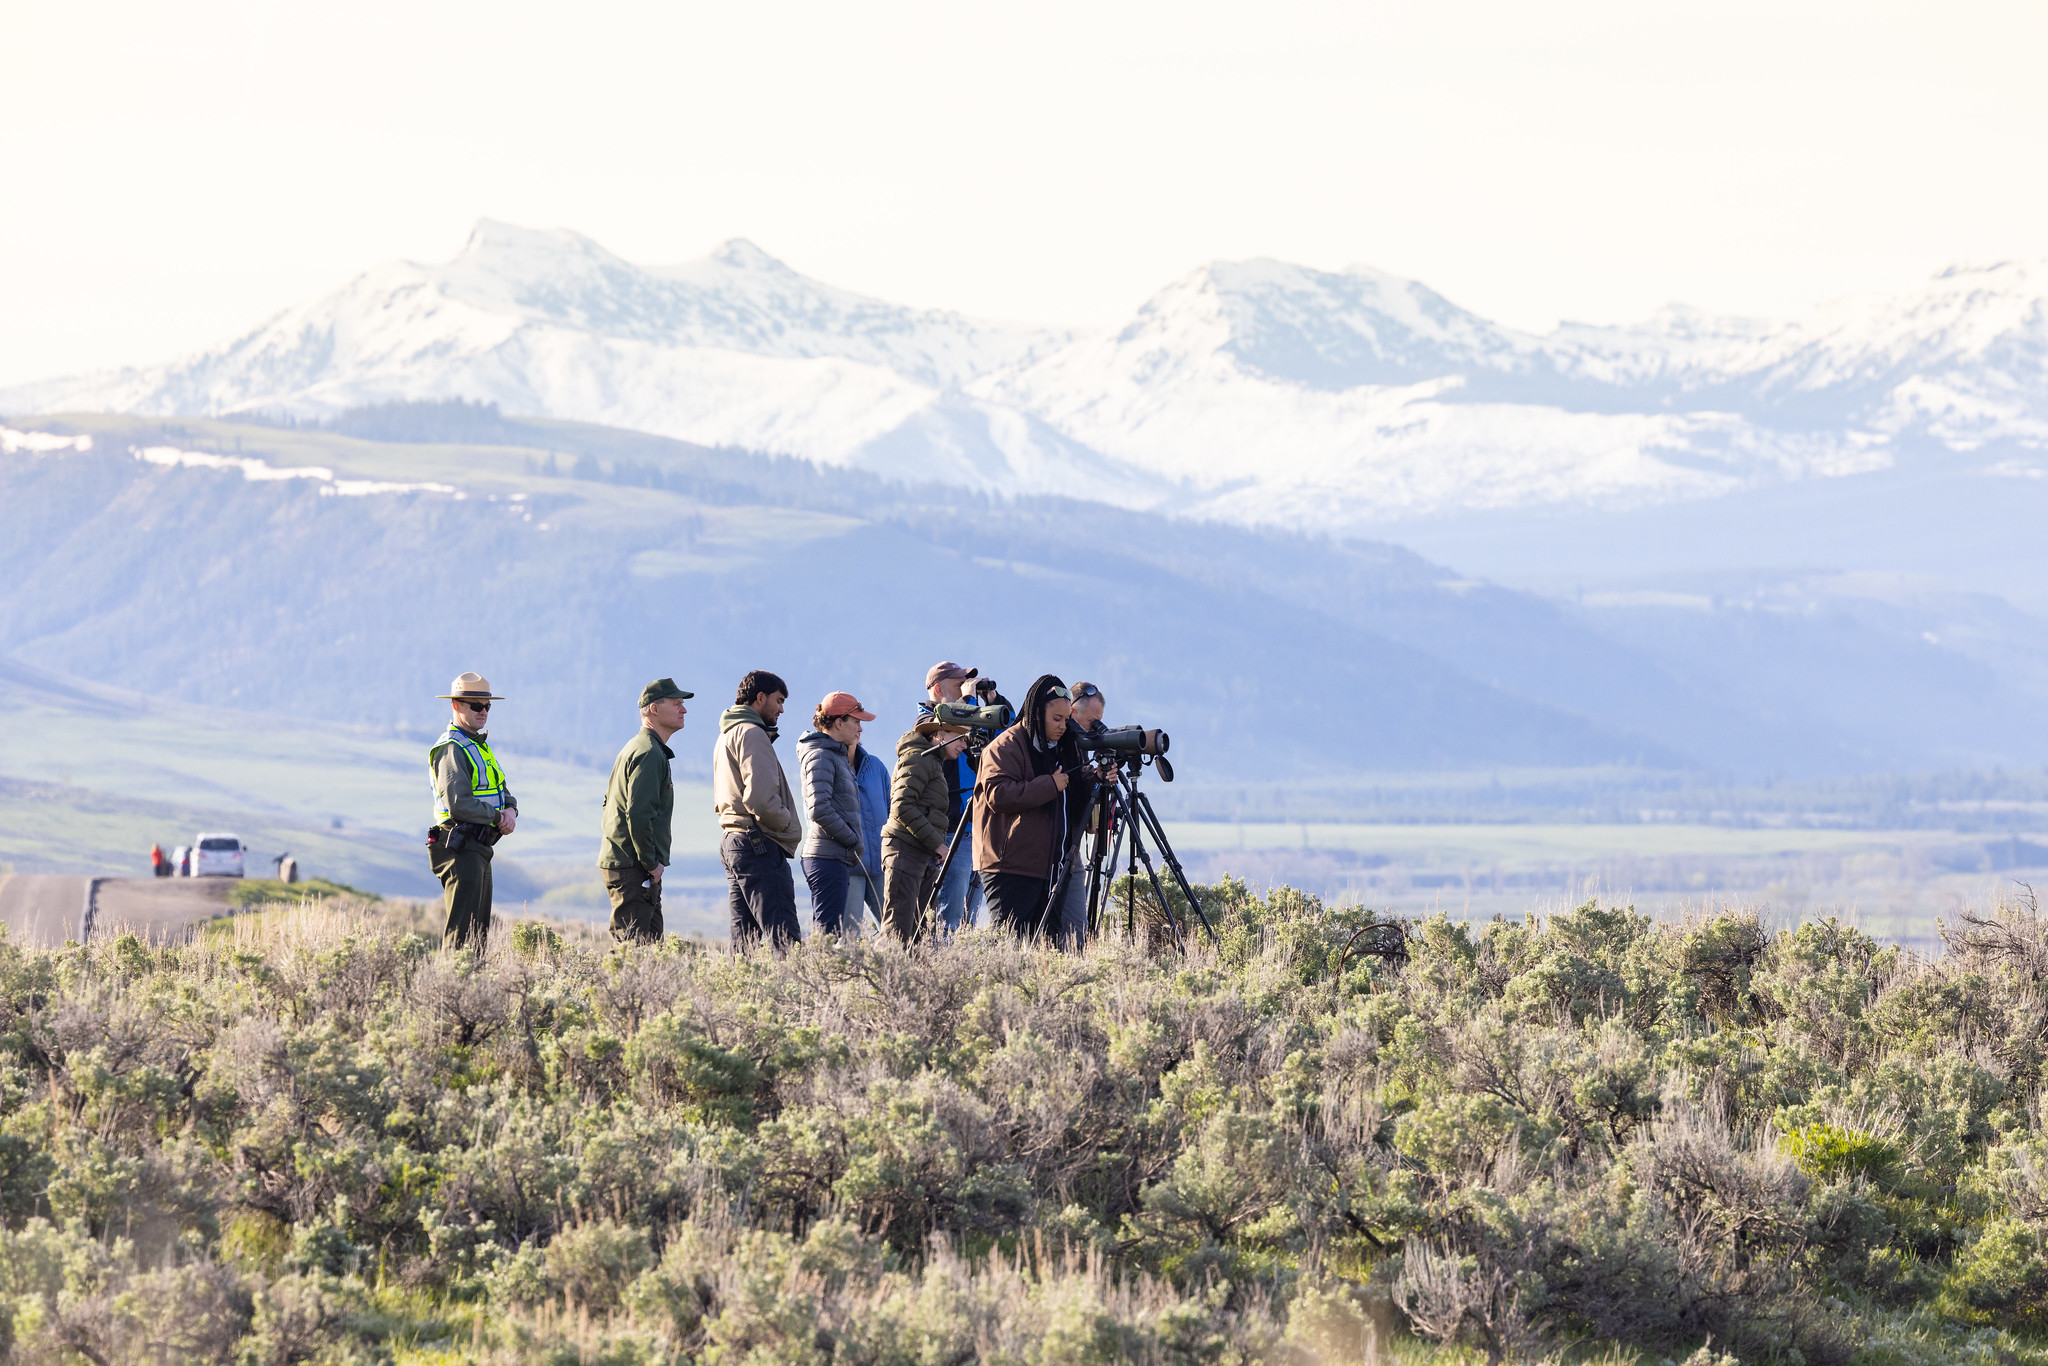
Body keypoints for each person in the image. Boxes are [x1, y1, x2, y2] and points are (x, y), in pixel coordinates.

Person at [973, 674, 1097, 940]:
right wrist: (1049, 786)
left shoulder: (1063, 748)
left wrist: (1095, 779)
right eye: (1056, 719)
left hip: (1052, 867)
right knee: (1010, 945)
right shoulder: (1005, 746)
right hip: (1010, 867)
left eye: (1067, 719)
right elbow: (997, 794)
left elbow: (1073, 786)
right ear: (1036, 713)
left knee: (1045, 949)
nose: (1063, 726)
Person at [427, 672, 518, 950]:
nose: (484, 712)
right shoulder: (452, 748)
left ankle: (471, 989)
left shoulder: (479, 747)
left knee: (477, 937)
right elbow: (459, 803)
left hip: (479, 847)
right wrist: (496, 817)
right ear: (456, 706)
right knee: (461, 937)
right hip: (460, 847)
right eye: (476, 706)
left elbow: (501, 790)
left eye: (487, 706)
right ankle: (452, 990)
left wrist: (511, 810)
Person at [714, 669, 803, 951]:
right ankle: (793, 995)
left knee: (744, 942)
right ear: (760, 698)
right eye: (778, 700)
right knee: (784, 940)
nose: (782, 709)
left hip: (734, 841)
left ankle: (741, 993)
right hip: (758, 843)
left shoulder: (727, 734)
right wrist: (786, 822)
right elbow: (761, 799)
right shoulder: (753, 734)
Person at [599, 677, 693, 944]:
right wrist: (651, 863)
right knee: (630, 953)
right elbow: (638, 814)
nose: (684, 710)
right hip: (634, 866)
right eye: (677, 704)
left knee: (646, 954)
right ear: (654, 709)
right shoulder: (649, 753)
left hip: (631, 863)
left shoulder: (639, 748)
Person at [882, 715, 972, 942]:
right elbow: (901, 807)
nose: (964, 745)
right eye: (960, 738)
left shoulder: (933, 762)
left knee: (917, 934)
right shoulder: (919, 758)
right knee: (898, 931)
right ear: (940, 734)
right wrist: (938, 845)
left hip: (918, 853)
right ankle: (885, 977)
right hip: (905, 851)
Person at [798, 691, 877, 938]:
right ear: (839, 722)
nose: (860, 728)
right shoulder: (821, 755)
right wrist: (852, 840)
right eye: (856, 721)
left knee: (831, 933)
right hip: (826, 857)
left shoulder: (833, 754)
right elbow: (819, 809)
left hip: (834, 857)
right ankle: (818, 976)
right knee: (827, 935)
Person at [920, 661, 987, 931]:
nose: (964, 688)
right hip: (950, 830)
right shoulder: (925, 723)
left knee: (970, 918)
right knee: (950, 916)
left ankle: (965, 964)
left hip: (977, 828)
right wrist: (967, 700)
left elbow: (1004, 737)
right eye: (958, 685)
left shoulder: (968, 719)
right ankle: (945, 961)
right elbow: (945, 731)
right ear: (937, 689)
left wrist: (992, 699)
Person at [1051, 681, 1108, 949]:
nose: (1094, 729)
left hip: (1072, 846)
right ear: (1071, 713)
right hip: (1052, 848)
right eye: (1091, 722)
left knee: (1075, 931)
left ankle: (1073, 962)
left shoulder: (1081, 745)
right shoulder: (1054, 744)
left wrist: (1097, 778)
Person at [851, 729, 890, 937]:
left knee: (896, 934)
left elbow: (892, 811)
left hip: (880, 865)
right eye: (854, 721)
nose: (859, 728)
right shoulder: (826, 764)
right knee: (848, 938)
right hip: (849, 866)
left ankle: (889, 970)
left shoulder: (875, 766)